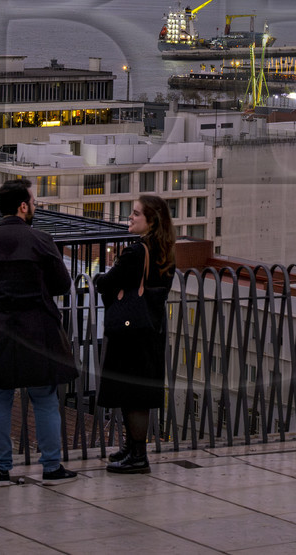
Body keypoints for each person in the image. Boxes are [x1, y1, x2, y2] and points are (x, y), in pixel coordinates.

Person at [0, 178, 79, 486]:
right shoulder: (41, 240)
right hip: (38, 330)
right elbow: (62, 285)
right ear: (23, 207)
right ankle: (51, 466)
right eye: (35, 203)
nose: (36, 207)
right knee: (45, 399)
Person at [95, 194, 176, 475]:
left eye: (136, 214)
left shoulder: (136, 252)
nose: (130, 217)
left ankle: (138, 454)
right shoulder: (165, 251)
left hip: (130, 335)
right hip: (150, 330)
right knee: (137, 393)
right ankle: (132, 447)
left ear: (151, 221)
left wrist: (98, 275)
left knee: (132, 395)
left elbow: (107, 282)